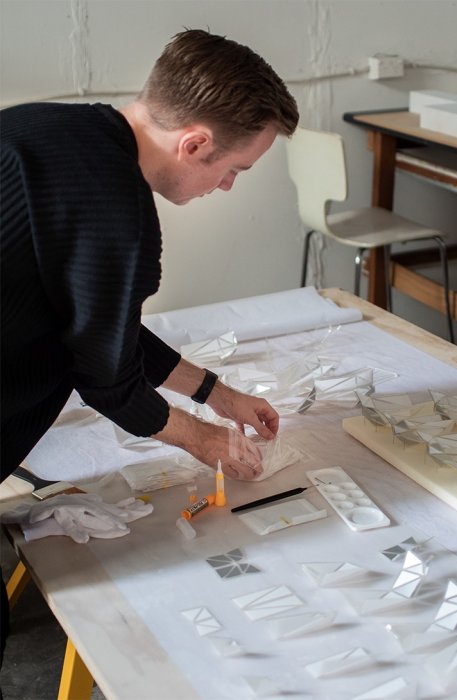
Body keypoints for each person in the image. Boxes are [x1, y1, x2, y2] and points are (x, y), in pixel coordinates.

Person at [0, 28, 299, 665]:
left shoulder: (46, 128)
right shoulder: (117, 210)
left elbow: (96, 321)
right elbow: (107, 378)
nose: (227, 186)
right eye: (233, 169)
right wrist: (206, 440)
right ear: (195, 143)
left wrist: (219, 394)